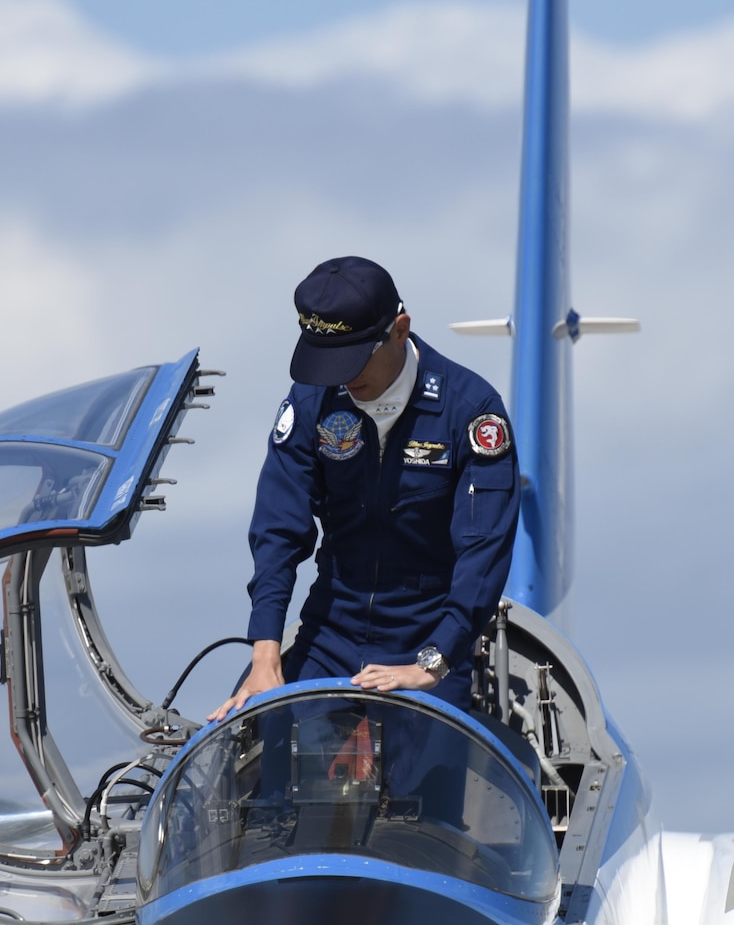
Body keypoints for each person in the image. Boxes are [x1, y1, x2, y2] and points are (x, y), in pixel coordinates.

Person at [211, 257, 518, 720]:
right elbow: (279, 528)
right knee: (265, 751)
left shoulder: (471, 411)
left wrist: (433, 662)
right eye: (328, 361)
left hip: (428, 631)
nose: (342, 377)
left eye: (353, 359)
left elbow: (484, 549)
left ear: (400, 330)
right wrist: (265, 650)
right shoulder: (311, 401)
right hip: (332, 627)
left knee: (426, 779)